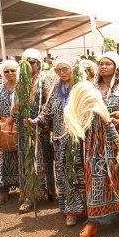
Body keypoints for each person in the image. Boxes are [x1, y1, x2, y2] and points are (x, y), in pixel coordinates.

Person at [75, 51, 119, 237]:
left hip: (116, 136)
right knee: (95, 176)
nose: (103, 66)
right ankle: (94, 220)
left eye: (108, 64)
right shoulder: (91, 87)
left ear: (115, 67)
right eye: (101, 63)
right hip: (94, 139)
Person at [29, 56, 84, 225]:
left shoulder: (82, 87)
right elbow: (48, 110)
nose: (61, 73)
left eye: (64, 69)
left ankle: (85, 209)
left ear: (73, 69)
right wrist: (37, 121)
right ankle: (70, 211)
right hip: (60, 140)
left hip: (79, 139)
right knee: (64, 174)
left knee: (78, 175)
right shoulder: (55, 88)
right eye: (58, 70)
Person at [18, 49, 56, 213]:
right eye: (25, 62)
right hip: (23, 128)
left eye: (32, 62)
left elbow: (49, 102)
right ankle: (28, 195)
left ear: (39, 64)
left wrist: (39, 120)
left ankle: (47, 190)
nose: (28, 65)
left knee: (42, 160)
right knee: (26, 160)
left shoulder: (45, 80)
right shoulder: (21, 82)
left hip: (40, 127)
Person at [0, 60, 20, 205]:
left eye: (13, 70)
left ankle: (24, 191)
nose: (10, 73)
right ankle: (2, 191)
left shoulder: (23, 88)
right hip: (2, 128)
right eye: (6, 71)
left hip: (20, 128)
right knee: (0, 159)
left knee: (20, 159)